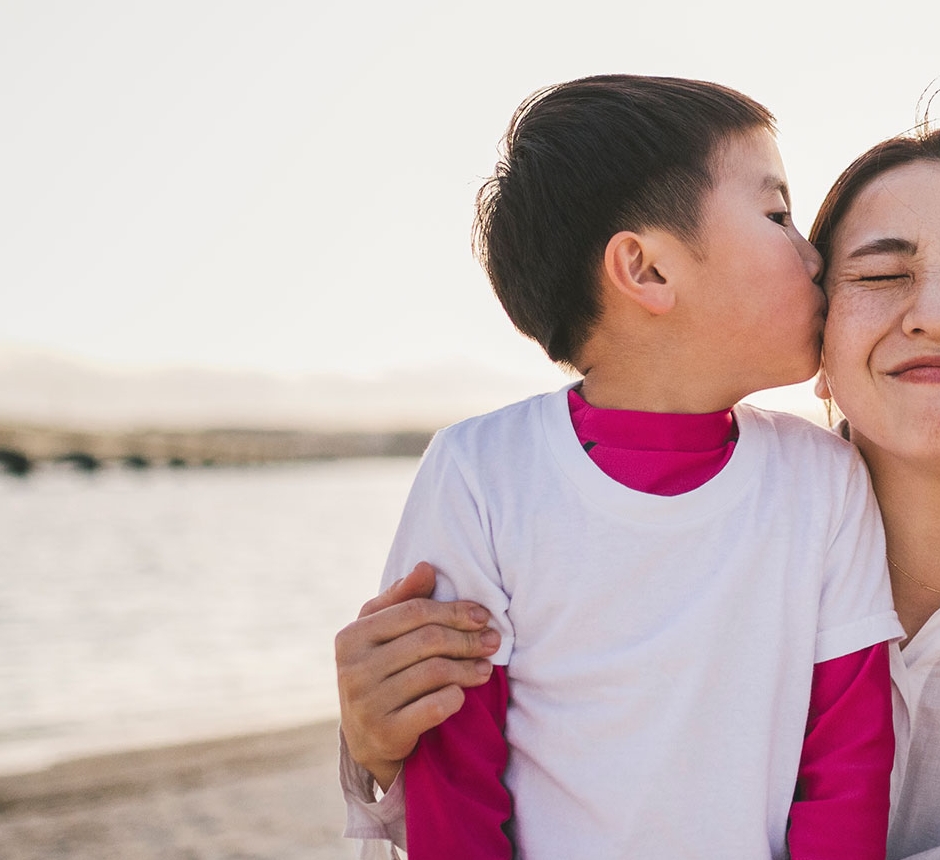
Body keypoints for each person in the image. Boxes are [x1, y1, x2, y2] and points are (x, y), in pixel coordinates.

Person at [337, 123, 940, 860]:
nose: (935, 314)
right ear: (822, 339)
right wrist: (381, 741)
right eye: (877, 277)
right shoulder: (496, 476)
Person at [371, 74, 904, 859]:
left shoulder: (824, 480)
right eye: (778, 214)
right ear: (647, 270)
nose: (814, 252)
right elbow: (452, 779)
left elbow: (847, 767)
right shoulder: (482, 474)